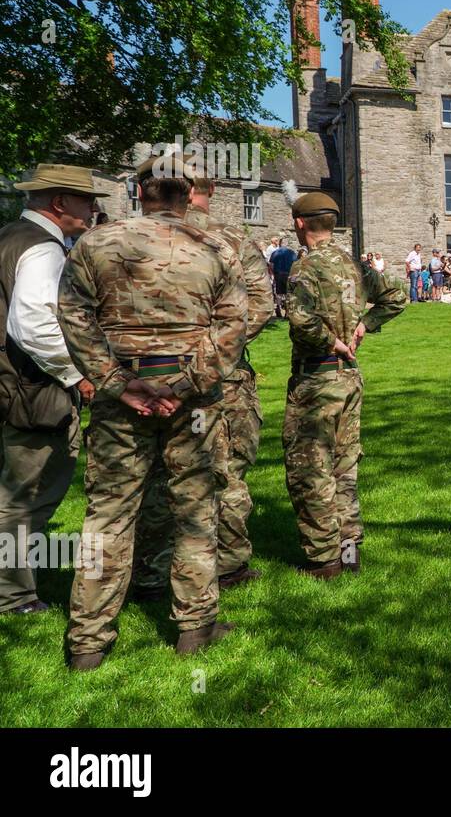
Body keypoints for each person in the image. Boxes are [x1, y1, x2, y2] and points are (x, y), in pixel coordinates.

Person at [58, 153, 248, 670]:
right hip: (191, 400)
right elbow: (232, 327)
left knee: (109, 514)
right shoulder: (216, 247)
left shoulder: (96, 243)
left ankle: (88, 642)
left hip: (127, 395)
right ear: (188, 194)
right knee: (194, 508)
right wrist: (186, 383)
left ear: (140, 191)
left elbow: (72, 316)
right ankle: (194, 626)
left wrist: (118, 382)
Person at [132, 157, 276, 599]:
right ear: (202, 192)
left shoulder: (128, 236)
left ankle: (153, 573)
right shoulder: (230, 238)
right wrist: (214, 352)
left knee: (155, 473)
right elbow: (261, 306)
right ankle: (227, 564)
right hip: (222, 378)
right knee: (225, 471)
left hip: (145, 378)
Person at [0, 164, 110, 617]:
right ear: (60, 202)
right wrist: (79, 375)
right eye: (86, 200)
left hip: (11, 384)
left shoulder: (10, 235)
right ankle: (12, 596)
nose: (93, 209)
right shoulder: (42, 249)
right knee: (26, 494)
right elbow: (35, 326)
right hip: (29, 390)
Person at [282, 187, 406, 580]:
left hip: (317, 378)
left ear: (301, 224)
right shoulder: (355, 265)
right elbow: (398, 297)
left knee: (310, 470)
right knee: (344, 469)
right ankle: (350, 552)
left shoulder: (306, 267)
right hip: (349, 379)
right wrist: (363, 325)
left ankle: (324, 562)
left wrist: (334, 339)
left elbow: (301, 322)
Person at [269, 237, 298, 319]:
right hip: (288, 275)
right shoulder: (292, 253)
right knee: (288, 293)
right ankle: (287, 311)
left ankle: (278, 307)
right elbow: (295, 265)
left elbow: (271, 265)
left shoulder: (275, 253)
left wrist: (273, 274)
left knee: (279, 293)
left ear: (280, 243)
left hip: (278, 274)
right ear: (287, 244)